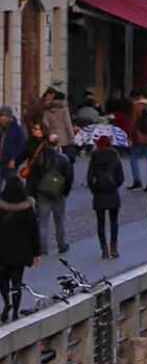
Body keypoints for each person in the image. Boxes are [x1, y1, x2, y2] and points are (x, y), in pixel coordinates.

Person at [22, 126, 70, 256]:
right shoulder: (63, 159)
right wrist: (65, 192)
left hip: (43, 192)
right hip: (58, 193)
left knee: (43, 222)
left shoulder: (40, 158)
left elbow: (34, 176)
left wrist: (33, 191)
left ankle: (43, 248)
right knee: (59, 221)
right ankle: (61, 244)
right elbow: (69, 177)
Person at [0, 175, 40, 321]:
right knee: (17, 282)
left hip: (2, 251)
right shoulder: (27, 207)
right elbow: (34, 231)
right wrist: (36, 253)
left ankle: (6, 303)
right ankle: (16, 311)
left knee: (3, 281)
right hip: (21, 252)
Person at [86, 133, 124, 259]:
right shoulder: (114, 155)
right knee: (114, 222)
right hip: (112, 193)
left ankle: (104, 249)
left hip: (99, 194)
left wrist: (95, 189)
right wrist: (114, 185)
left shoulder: (95, 156)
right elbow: (121, 177)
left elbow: (89, 177)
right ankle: (114, 247)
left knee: (100, 222)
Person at [0, 106, 25, 173]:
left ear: (10, 118)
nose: (2, 119)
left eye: (5, 116)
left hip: (10, 163)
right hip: (1, 161)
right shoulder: (1, 129)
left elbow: (21, 147)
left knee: (10, 182)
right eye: (1, 116)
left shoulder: (17, 130)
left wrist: (14, 159)